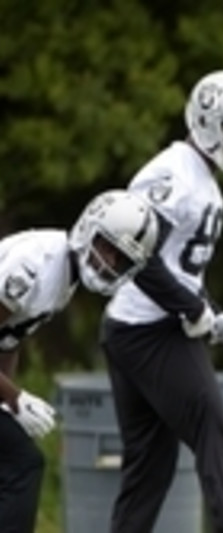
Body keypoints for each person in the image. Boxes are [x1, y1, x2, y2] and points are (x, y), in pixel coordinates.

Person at [100, 69, 223, 533]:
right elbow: (133, 255)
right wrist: (191, 310)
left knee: (150, 467)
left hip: (132, 327)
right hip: (150, 329)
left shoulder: (199, 177)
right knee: (219, 438)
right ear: (206, 121)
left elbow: (178, 266)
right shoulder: (173, 175)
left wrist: (212, 316)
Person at [0, 189, 158, 533]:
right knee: (23, 464)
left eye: (121, 261)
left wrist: (7, 404)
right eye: (108, 249)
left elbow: (8, 338)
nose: (109, 264)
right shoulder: (34, 266)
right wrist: (14, 398)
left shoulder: (63, 275)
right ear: (89, 227)